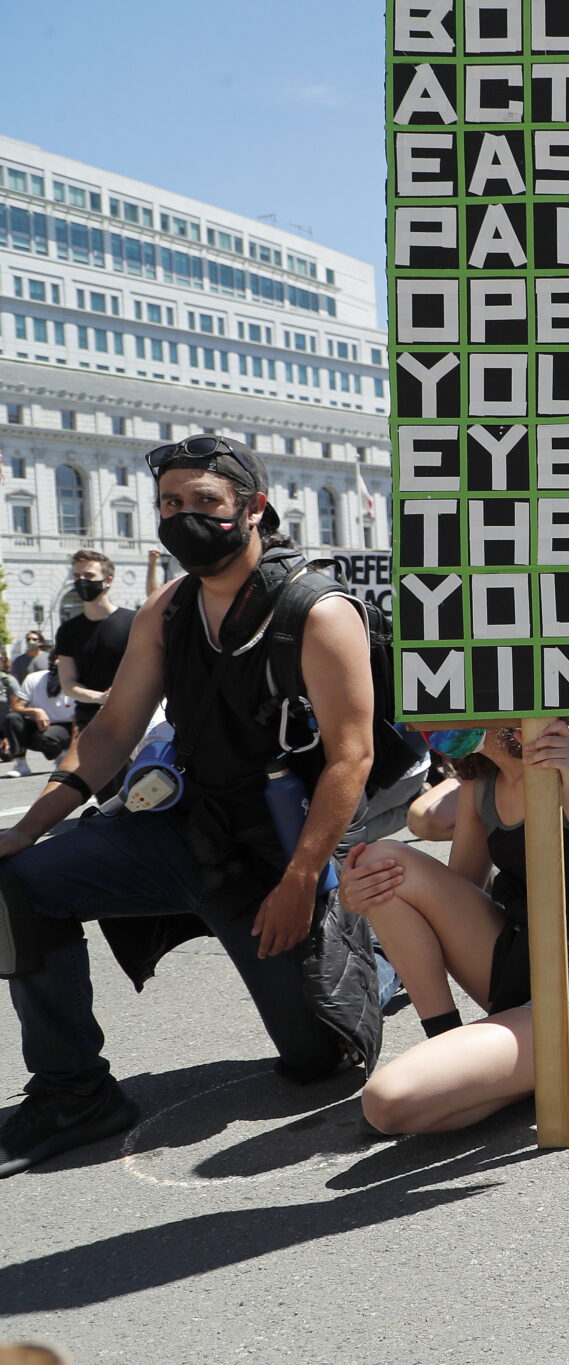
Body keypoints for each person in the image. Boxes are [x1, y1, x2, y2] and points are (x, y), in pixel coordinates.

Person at [0, 435, 382, 1178]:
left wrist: (302, 881)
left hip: (282, 852)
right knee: (21, 881)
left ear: (253, 508)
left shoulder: (316, 609)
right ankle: (74, 1092)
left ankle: (374, 956)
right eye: (170, 503)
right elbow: (111, 731)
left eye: (205, 500)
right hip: (189, 834)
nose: (183, 517)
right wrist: (26, 829)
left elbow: (351, 758)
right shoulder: (168, 609)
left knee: (318, 1059)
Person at [339, 722, 569, 1133]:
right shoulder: (481, 780)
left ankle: (537, 1066)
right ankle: (447, 1042)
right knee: (380, 865)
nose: (421, 723)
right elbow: (452, 900)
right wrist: (359, 897)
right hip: (524, 960)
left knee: (385, 1102)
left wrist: (566, 790)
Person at [52, 551, 134, 731]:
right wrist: (100, 698)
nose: (81, 581)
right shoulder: (68, 630)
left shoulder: (134, 622)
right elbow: (68, 683)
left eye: (89, 575)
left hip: (135, 716)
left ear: (108, 580)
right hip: (90, 721)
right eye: (77, 576)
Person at [0, 673, 53, 779]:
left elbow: (16, 707)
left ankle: (20, 763)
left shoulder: (7, 681)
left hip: (8, 725)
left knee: (13, 718)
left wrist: (6, 735)